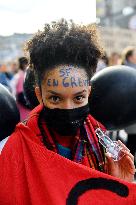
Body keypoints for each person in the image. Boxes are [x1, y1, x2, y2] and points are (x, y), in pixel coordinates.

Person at [0, 20, 135, 204]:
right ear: (40, 95)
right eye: (55, 98)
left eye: (78, 98)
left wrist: (118, 184)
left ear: (88, 92)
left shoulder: (104, 145)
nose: (68, 108)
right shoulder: (16, 150)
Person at [121, 46, 136, 166]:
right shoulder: (127, 70)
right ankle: (129, 164)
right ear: (130, 56)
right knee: (132, 140)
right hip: (131, 110)